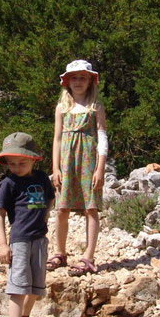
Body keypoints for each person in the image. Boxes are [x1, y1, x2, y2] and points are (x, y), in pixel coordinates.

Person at [0, 131, 56, 317]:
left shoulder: (40, 178)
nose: (17, 167)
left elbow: (50, 197)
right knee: (18, 287)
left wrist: (46, 216)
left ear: (33, 159)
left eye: (21, 162)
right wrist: (3, 245)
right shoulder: (8, 183)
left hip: (39, 239)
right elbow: (0, 214)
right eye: (12, 163)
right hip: (19, 240)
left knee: (35, 286)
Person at [49, 59, 108, 276]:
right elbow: (56, 139)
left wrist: (100, 168)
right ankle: (59, 252)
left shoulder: (96, 107)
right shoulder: (62, 108)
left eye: (83, 77)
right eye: (74, 77)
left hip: (88, 162)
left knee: (90, 207)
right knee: (62, 208)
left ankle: (89, 256)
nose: (78, 81)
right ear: (67, 82)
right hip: (66, 162)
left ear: (91, 80)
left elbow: (102, 136)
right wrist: (55, 168)